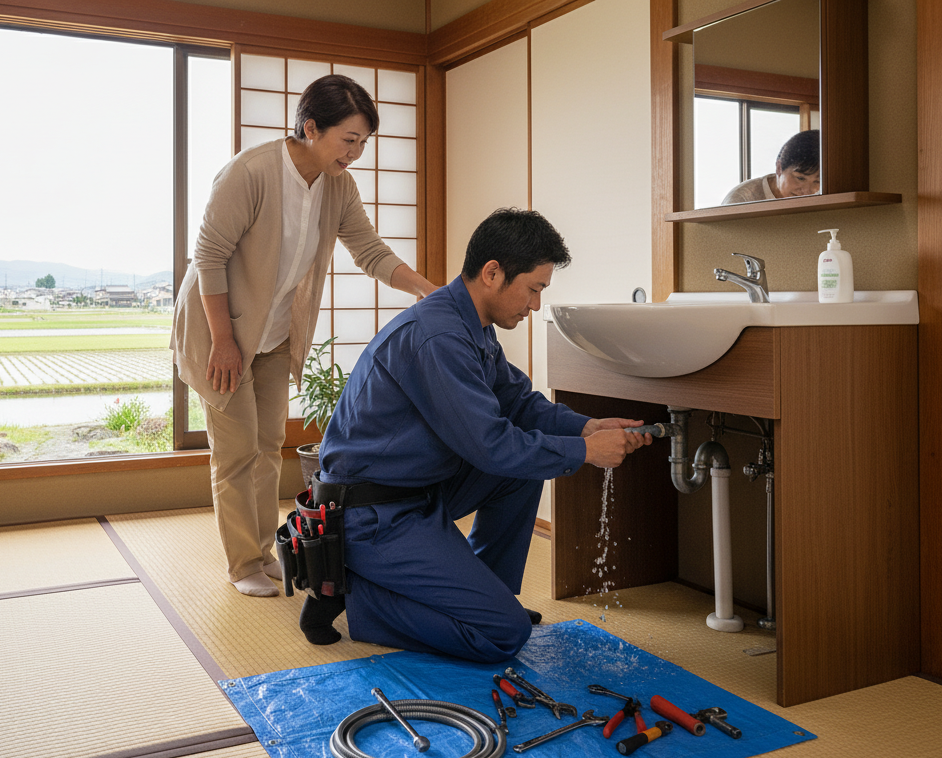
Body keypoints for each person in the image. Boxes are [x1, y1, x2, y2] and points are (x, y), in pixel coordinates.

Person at [297, 208, 654, 663]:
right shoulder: (438, 336)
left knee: (522, 474)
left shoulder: (472, 328)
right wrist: (586, 451)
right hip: (372, 514)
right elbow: (490, 445)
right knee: (502, 636)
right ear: (492, 273)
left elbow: (520, 403)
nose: (536, 304)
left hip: (417, 491)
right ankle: (356, 593)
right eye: (534, 289)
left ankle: (486, 597)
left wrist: (586, 427)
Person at [171, 74, 438, 598]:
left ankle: (263, 553)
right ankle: (242, 562)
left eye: (363, 143)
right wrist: (224, 340)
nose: (356, 153)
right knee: (236, 452)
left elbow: (370, 252)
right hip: (217, 329)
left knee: (270, 445)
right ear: (311, 128)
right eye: (348, 140)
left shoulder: (338, 185)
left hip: (274, 334)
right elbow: (208, 257)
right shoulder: (251, 172)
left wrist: (430, 291)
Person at [721, 129, 820, 205]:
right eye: (800, 178)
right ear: (779, 168)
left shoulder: (824, 195)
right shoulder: (742, 199)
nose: (807, 192)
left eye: (817, 181)